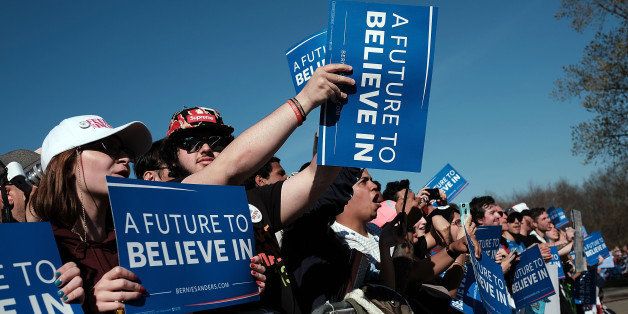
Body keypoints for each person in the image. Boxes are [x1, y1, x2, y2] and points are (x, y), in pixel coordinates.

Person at [154, 63, 355, 312]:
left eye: (216, 140)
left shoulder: (255, 200)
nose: (206, 148)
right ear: (173, 156)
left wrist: (347, 114)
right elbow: (228, 169)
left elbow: (318, 176)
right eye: (191, 142)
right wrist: (305, 99)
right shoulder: (167, 201)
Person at [31, 115, 266, 312]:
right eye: (109, 148)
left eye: (125, 151)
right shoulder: (40, 253)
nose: (125, 159)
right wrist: (87, 307)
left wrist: (236, 281)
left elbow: (188, 292)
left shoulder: (148, 230)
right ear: (67, 163)